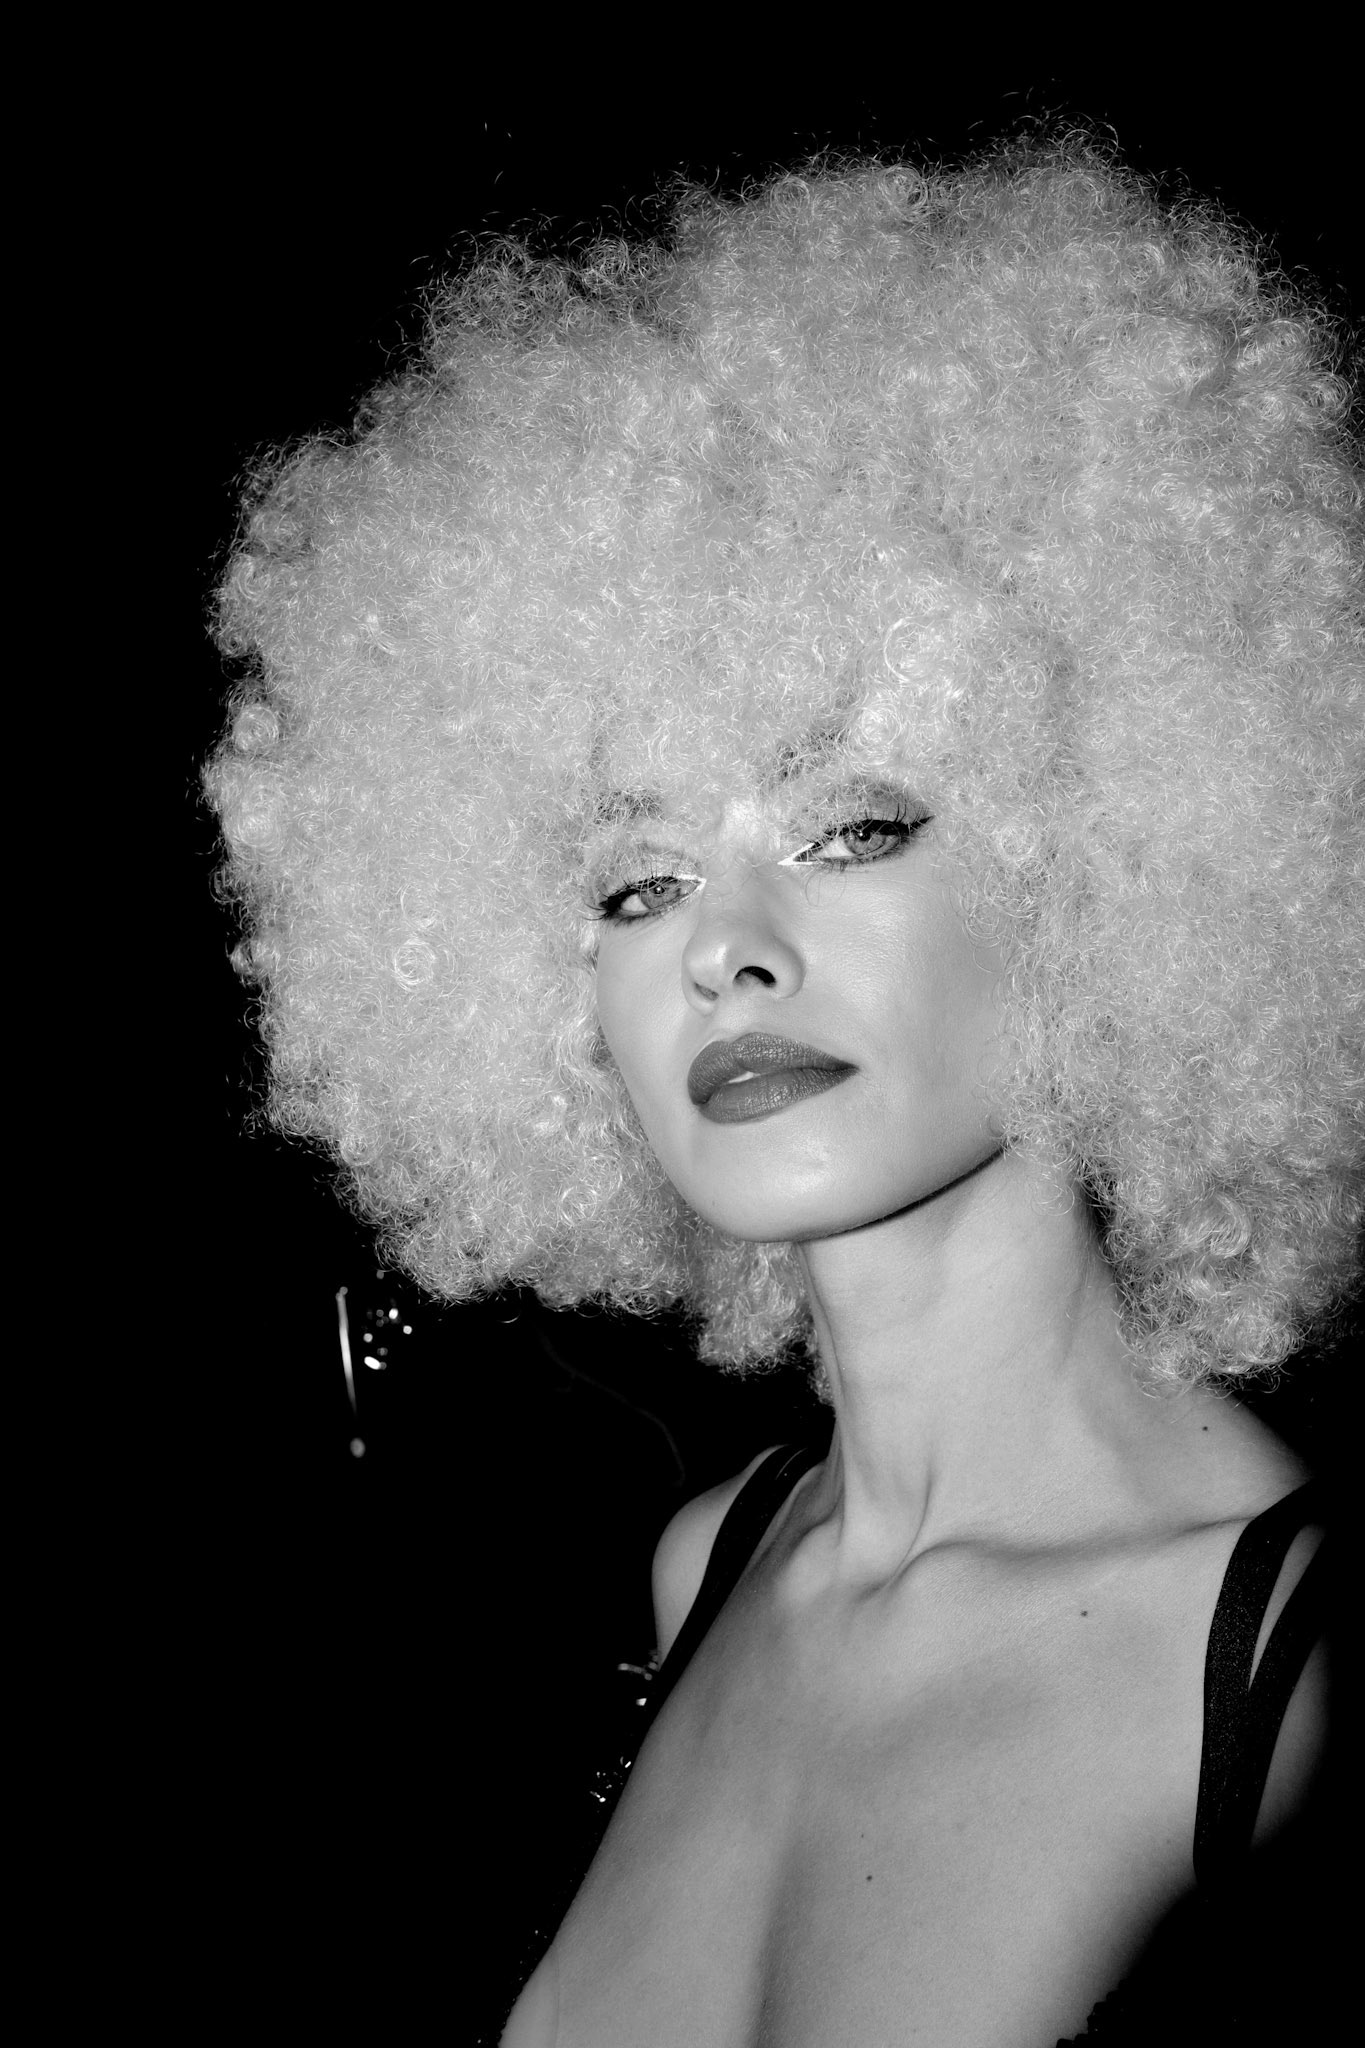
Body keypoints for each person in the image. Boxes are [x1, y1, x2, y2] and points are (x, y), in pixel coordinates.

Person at [206, 133, 1361, 2044]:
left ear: (1113, 867)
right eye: (635, 881)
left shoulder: (1296, 1678)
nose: (720, 949)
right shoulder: (708, 1567)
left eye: (853, 828)